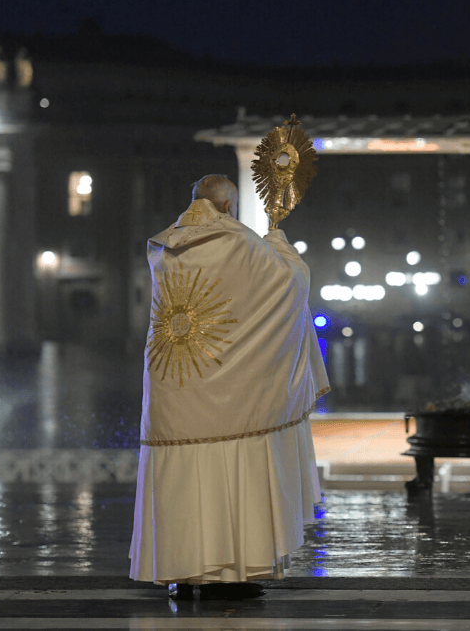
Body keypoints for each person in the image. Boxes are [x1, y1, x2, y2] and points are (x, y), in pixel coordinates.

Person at [129, 174, 329, 600]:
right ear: (226, 207)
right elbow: (288, 283)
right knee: (231, 473)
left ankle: (180, 574)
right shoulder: (239, 242)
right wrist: (278, 241)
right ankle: (229, 576)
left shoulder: (163, 247)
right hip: (230, 395)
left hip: (173, 387)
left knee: (180, 479)